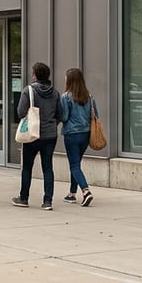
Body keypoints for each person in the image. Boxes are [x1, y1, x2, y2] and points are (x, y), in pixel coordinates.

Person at [12, 62, 63, 210]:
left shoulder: (28, 91)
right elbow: (60, 114)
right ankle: (48, 201)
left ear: (35, 75)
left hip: (32, 135)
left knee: (27, 167)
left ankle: (24, 198)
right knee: (48, 167)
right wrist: (51, 124)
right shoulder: (55, 93)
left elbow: (21, 112)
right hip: (50, 135)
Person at [59, 67, 96, 207]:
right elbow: (95, 115)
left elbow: (64, 116)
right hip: (86, 134)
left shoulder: (66, 97)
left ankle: (86, 191)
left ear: (70, 80)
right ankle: (72, 193)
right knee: (76, 164)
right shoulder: (89, 96)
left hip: (71, 134)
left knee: (74, 165)